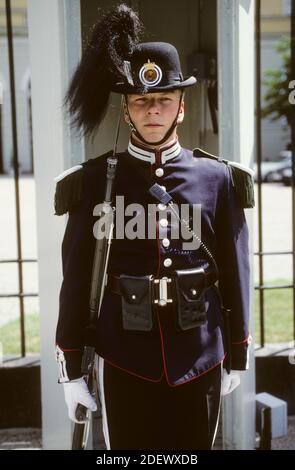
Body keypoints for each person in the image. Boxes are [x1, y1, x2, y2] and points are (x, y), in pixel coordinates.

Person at [55, 4, 254, 450]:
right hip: (124, 357)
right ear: (126, 111)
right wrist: (70, 368)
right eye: (141, 101)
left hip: (200, 355)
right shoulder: (93, 181)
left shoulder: (217, 179)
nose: (153, 110)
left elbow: (237, 270)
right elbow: (77, 278)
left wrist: (236, 351)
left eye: (164, 99)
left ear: (182, 107)